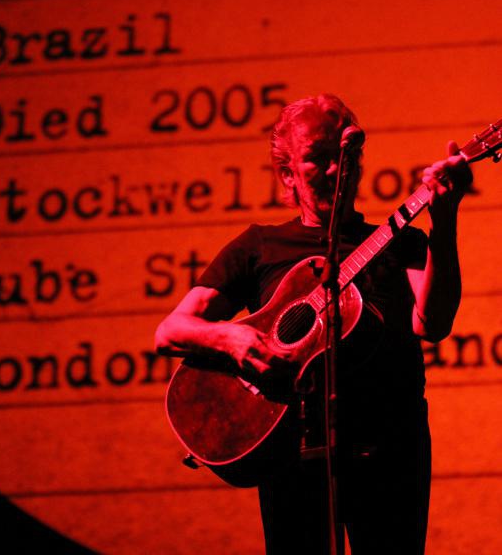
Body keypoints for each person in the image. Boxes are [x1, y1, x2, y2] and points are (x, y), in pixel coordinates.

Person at [155, 93, 472, 554]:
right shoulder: (261, 247)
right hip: (291, 454)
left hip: (389, 454)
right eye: (317, 158)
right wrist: (232, 337)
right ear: (287, 174)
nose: (334, 169)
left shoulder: (402, 243)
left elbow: (434, 323)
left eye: (345, 156)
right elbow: (171, 331)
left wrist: (444, 221)